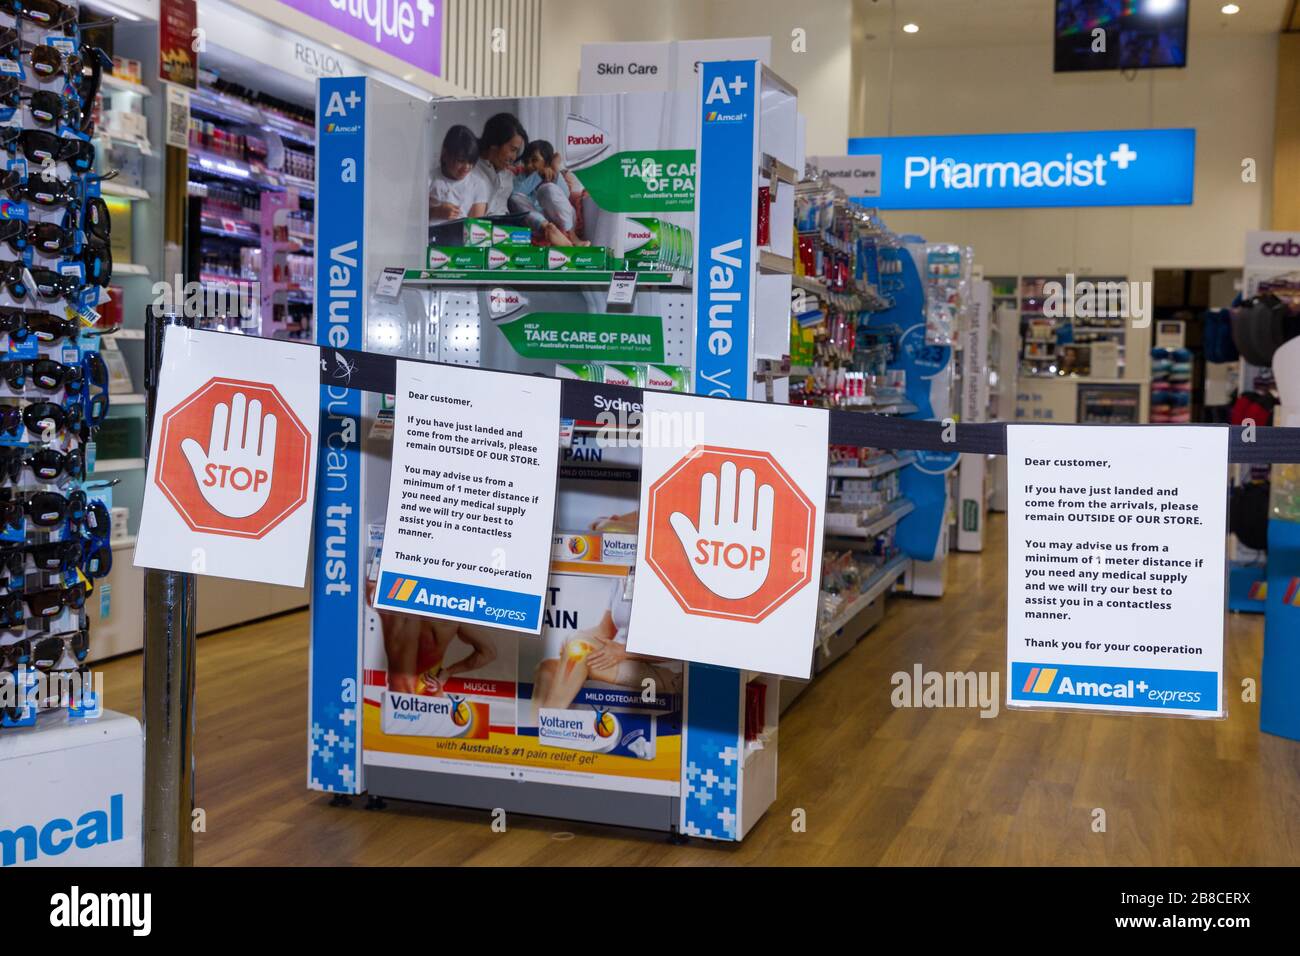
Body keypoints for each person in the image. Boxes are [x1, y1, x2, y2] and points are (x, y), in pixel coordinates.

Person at [510, 139, 589, 247]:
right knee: (514, 197)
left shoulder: (555, 174)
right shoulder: (521, 178)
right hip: (539, 223)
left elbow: (566, 196)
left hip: (565, 220)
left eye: (534, 160)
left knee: (546, 189)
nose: (529, 165)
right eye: (526, 161)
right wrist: (538, 176)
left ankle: (572, 236)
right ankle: (553, 232)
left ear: (546, 161)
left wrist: (555, 168)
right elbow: (515, 196)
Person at [467, 112, 527, 218]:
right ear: (494, 144)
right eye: (512, 150)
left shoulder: (507, 175)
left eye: (517, 152)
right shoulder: (468, 172)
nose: (513, 157)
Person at [429, 124, 487, 225]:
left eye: (471, 162)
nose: (466, 167)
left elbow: (476, 227)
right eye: (460, 161)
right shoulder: (429, 179)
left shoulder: (477, 184)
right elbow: (412, 216)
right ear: (445, 155)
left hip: (460, 239)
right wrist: (435, 212)